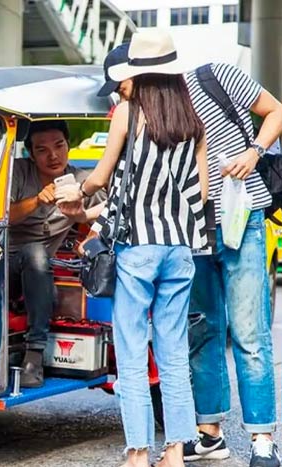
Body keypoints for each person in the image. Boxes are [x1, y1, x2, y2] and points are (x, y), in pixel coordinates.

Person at [56, 30, 209, 467]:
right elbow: (200, 192)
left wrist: (77, 194)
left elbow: (101, 177)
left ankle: (139, 453)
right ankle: (177, 452)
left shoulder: (127, 112)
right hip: (180, 248)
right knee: (174, 353)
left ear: (138, 72)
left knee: (131, 352)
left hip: (137, 248)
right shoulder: (194, 118)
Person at [181, 53, 282, 466]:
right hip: (189, 230)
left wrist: (255, 151)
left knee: (250, 332)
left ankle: (262, 439)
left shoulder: (214, 76)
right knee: (203, 332)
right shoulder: (147, 110)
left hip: (244, 219)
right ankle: (210, 434)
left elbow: (276, 110)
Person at [9, 119, 106, 387]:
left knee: (38, 257)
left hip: (40, 267)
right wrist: (37, 200)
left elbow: (114, 207)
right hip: (5, 264)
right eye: (42, 149)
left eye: (59, 146)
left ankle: (34, 355)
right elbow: (3, 216)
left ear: (68, 147)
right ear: (30, 153)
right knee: (34, 254)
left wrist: (90, 234)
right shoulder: (18, 172)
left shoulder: (81, 182)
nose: (53, 155)